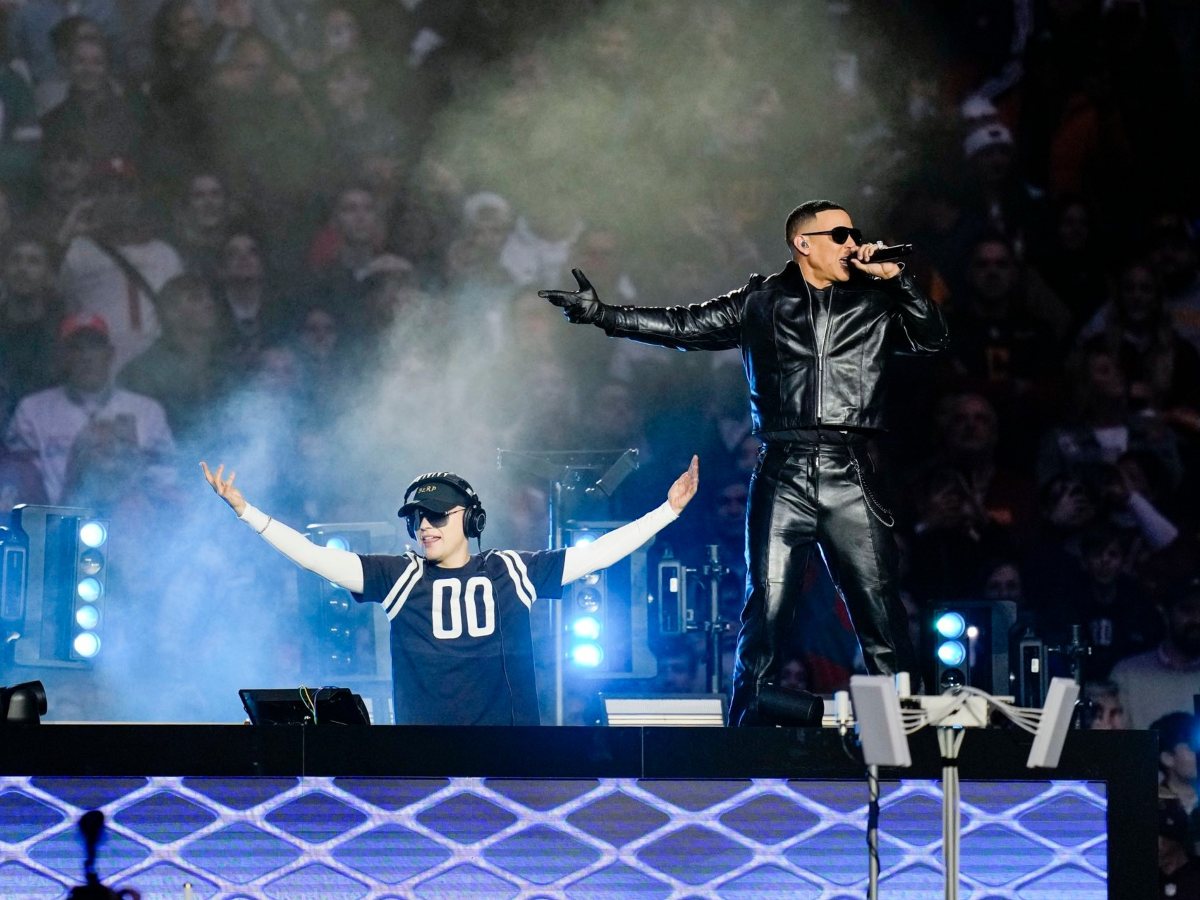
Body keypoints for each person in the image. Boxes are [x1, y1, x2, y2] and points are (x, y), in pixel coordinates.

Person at [540, 199, 948, 724]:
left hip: (851, 471)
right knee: (766, 610)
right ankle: (745, 740)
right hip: (783, 470)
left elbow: (933, 338)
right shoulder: (762, 302)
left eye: (854, 234)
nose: (853, 243)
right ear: (803, 243)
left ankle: (907, 741)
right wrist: (603, 316)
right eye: (840, 235)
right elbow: (685, 326)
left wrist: (898, 281)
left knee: (880, 611)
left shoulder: (875, 301)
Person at [201, 455, 699, 725]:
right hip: (425, 764)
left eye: (437, 515)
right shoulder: (400, 576)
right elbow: (316, 558)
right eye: (417, 518)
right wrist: (248, 513)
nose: (425, 526)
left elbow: (598, 555)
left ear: (471, 519)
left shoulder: (510, 570)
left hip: (509, 763)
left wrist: (668, 511)